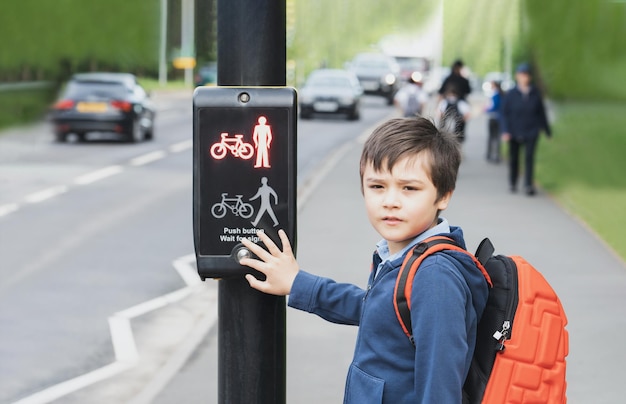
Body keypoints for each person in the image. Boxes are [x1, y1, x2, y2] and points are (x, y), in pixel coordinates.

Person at [239, 117, 490, 403]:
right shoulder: (402, 256)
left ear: (443, 195)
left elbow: (441, 389)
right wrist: (298, 283)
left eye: (409, 188)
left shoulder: (435, 276)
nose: (390, 201)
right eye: (377, 186)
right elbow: (378, 310)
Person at [500, 63, 552, 196]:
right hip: (514, 131)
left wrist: (547, 130)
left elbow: (541, 113)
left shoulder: (535, 93)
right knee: (515, 158)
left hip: (531, 130)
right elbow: (504, 113)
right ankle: (513, 182)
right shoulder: (511, 94)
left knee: (529, 157)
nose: (524, 78)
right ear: (517, 76)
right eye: (522, 75)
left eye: (526, 75)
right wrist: (505, 131)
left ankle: (528, 184)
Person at [485, 80, 503, 162]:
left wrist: (486, 109)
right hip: (499, 118)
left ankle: (491, 154)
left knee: (492, 137)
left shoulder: (494, 95)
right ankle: (495, 154)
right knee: (496, 137)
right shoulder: (501, 94)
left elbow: (494, 106)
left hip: (493, 117)